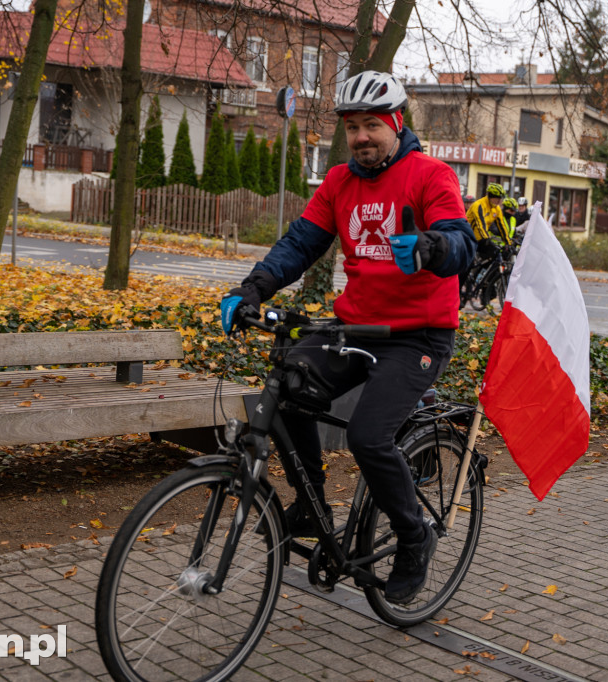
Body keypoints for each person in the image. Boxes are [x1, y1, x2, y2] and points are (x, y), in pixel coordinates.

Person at [219, 70, 476, 605]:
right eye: (352, 127)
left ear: (396, 123)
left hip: (418, 337)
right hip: (357, 326)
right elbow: (299, 244)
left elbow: (461, 242)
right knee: (286, 389)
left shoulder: (431, 176)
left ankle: (414, 536)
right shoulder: (339, 182)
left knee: (367, 436)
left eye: (371, 126)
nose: (361, 137)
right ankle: (313, 510)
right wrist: (253, 289)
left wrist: (431, 247)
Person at [466, 183, 511, 254]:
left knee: (497, 255)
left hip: (481, 238)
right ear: (491, 197)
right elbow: (480, 224)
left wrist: (508, 243)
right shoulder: (479, 205)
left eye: (500, 199)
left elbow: (502, 226)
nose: (499, 201)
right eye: (498, 198)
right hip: (469, 237)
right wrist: (487, 239)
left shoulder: (497, 208)